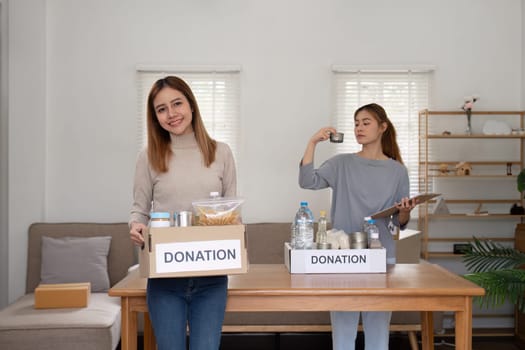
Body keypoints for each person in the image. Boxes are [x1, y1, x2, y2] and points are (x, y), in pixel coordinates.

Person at [129, 76, 237, 350]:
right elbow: (140, 211)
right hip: (165, 277)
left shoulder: (221, 153)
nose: (171, 114)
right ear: (155, 117)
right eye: (161, 109)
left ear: (191, 105)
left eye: (177, 103)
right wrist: (136, 226)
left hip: (211, 278)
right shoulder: (148, 156)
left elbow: (232, 213)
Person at [298, 103, 417, 350]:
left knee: (378, 332)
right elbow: (307, 181)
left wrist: (404, 212)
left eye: (366, 122)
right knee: (343, 331)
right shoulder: (341, 163)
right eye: (356, 123)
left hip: (382, 256)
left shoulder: (398, 171)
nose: (359, 128)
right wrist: (313, 142)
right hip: (344, 257)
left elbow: (398, 224)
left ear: (382, 127)